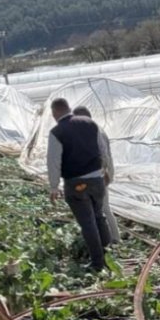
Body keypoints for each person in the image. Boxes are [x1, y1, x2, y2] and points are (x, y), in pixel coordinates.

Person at [47, 98, 112, 272]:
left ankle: (98, 263)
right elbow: (102, 149)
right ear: (69, 108)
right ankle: (110, 253)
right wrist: (104, 169)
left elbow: (53, 161)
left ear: (54, 113)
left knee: (87, 222)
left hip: (76, 183)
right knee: (99, 215)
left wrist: (54, 187)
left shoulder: (56, 132)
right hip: (97, 179)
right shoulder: (90, 123)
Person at [72, 106, 120, 244]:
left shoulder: (95, 132)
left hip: (100, 175)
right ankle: (108, 237)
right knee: (99, 207)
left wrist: (104, 173)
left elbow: (103, 155)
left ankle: (114, 239)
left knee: (103, 208)